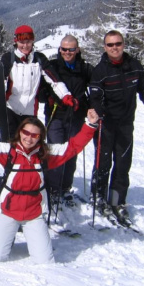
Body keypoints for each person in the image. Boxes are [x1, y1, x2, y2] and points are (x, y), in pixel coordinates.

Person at [0, 98, 100, 263]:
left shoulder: (46, 154)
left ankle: (29, 238)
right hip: (9, 211)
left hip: (34, 214)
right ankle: (6, 236)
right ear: (20, 132)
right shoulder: (9, 152)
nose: (29, 138)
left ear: (40, 137)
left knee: (44, 260)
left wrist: (90, 125)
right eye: (26, 133)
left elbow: (73, 147)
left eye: (34, 135)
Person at [89, 30, 144, 225]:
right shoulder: (100, 71)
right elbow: (95, 98)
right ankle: (98, 197)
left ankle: (117, 201)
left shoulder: (135, 67)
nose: (114, 48)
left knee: (123, 165)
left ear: (123, 44)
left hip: (125, 125)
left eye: (118, 44)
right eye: (110, 45)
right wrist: (100, 114)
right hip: (105, 126)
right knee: (103, 164)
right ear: (105, 47)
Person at [0, 25, 76, 142]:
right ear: (16, 42)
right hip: (10, 109)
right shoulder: (8, 59)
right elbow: (1, 80)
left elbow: (54, 80)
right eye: (21, 42)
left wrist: (65, 95)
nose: (25, 45)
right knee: (10, 144)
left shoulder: (39, 59)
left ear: (33, 41)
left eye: (28, 42)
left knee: (29, 145)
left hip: (30, 112)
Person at [43, 35, 93, 207]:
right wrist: (48, 98)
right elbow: (43, 89)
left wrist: (89, 106)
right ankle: (53, 189)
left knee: (71, 152)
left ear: (77, 49)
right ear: (59, 49)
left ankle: (65, 187)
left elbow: (95, 87)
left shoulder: (84, 68)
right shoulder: (53, 67)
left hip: (76, 116)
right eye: (64, 49)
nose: (67, 52)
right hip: (55, 115)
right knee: (55, 152)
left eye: (71, 49)